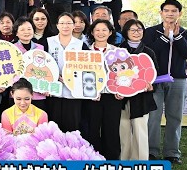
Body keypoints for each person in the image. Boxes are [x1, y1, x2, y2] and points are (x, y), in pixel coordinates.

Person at [144, 0, 187, 164]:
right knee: (153, 116)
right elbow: (149, 52)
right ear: (161, 13)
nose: (170, 14)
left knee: (175, 116)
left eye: (174, 11)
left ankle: (172, 153)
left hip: (178, 80)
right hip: (155, 79)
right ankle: (151, 151)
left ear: (179, 13)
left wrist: (177, 36)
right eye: (166, 10)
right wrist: (165, 37)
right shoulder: (151, 31)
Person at [117, 19, 158, 161]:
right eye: (133, 30)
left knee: (140, 131)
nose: (136, 32)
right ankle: (124, 161)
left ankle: (140, 163)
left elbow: (155, 74)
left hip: (142, 99)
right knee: (123, 131)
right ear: (126, 32)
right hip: (121, 99)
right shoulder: (118, 51)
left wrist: (151, 86)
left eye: (139, 29)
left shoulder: (149, 52)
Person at [45, 12, 90, 133]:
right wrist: (53, 76)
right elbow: (41, 64)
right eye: (62, 23)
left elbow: (88, 68)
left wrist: (72, 78)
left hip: (73, 92)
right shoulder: (48, 42)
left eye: (69, 23)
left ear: (73, 26)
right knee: (53, 127)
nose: (65, 26)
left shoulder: (81, 45)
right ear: (57, 25)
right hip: (53, 91)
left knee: (72, 127)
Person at [86, 18, 122, 160]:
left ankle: (112, 160)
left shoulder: (119, 52)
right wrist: (90, 92)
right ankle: (93, 159)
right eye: (97, 30)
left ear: (110, 32)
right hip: (91, 96)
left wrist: (121, 90)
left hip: (112, 96)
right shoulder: (85, 51)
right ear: (92, 32)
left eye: (104, 30)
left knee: (111, 129)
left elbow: (124, 74)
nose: (100, 33)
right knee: (92, 129)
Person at [11, 16, 47, 111]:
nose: (26, 32)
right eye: (22, 29)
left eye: (29, 29)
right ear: (16, 33)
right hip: (18, 95)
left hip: (38, 94)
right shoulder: (11, 49)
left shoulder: (41, 48)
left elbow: (46, 69)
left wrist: (48, 87)